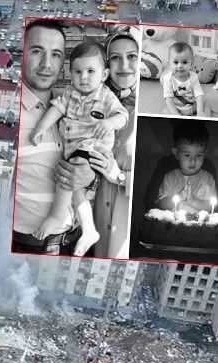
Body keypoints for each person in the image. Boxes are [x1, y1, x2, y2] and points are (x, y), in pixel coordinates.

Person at [28, 41, 129, 257]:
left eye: (91, 71)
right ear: (70, 73)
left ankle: (56, 217)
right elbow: (56, 110)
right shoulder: (70, 93)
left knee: (69, 176)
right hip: (74, 150)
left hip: (93, 147)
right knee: (76, 190)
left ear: (103, 75)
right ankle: (89, 229)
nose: (84, 77)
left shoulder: (106, 96)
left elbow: (122, 116)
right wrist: (40, 128)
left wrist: (109, 123)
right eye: (78, 72)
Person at [14, 20, 97, 255]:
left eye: (56, 55)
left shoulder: (74, 105)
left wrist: (90, 177)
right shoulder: (10, 116)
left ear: (63, 64)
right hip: (29, 247)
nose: (46, 64)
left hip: (76, 243)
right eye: (37, 51)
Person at [93, 27, 138, 258]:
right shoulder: (92, 102)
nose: (124, 65)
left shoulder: (153, 111)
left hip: (122, 223)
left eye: (132, 56)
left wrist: (119, 177)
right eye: (115, 58)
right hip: (88, 214)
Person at [155, 121, 216, 213]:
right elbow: (161, 203)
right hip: (174, 221)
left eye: (198, 155)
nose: (193, 161)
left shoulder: (208, 178)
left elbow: (211, 206)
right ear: (176, 153)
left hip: (200, 221)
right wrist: (178, 197)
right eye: (187, 155)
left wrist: (194, 201)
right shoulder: (170, 178)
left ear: (205, 154)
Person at [161, 42, 206, 116]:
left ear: (191, 64)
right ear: (169, 64)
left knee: (205, 106)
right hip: (176, 107)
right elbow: (168, 99)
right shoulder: (167, 78)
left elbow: (199, 94)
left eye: (184, 62)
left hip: (192, 105)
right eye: (176, 62)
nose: (180, 66)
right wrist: (175, 114)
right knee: (165, 111)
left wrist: (200, 111)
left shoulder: (193, 77)